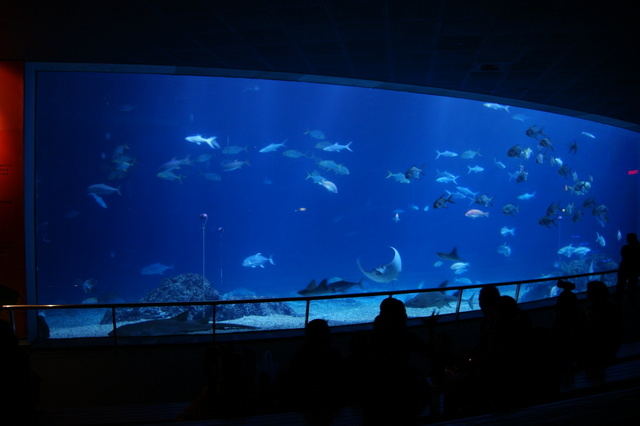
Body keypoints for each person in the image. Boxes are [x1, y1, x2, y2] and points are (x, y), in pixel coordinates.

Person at [616, 232, 640, 303]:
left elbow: (623, 255)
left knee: (621, 284)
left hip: (624, 268)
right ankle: (632, 300)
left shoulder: (625, 247)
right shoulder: (638, 248)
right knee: (633, 285)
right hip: (635, 269)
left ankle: (618, 299)